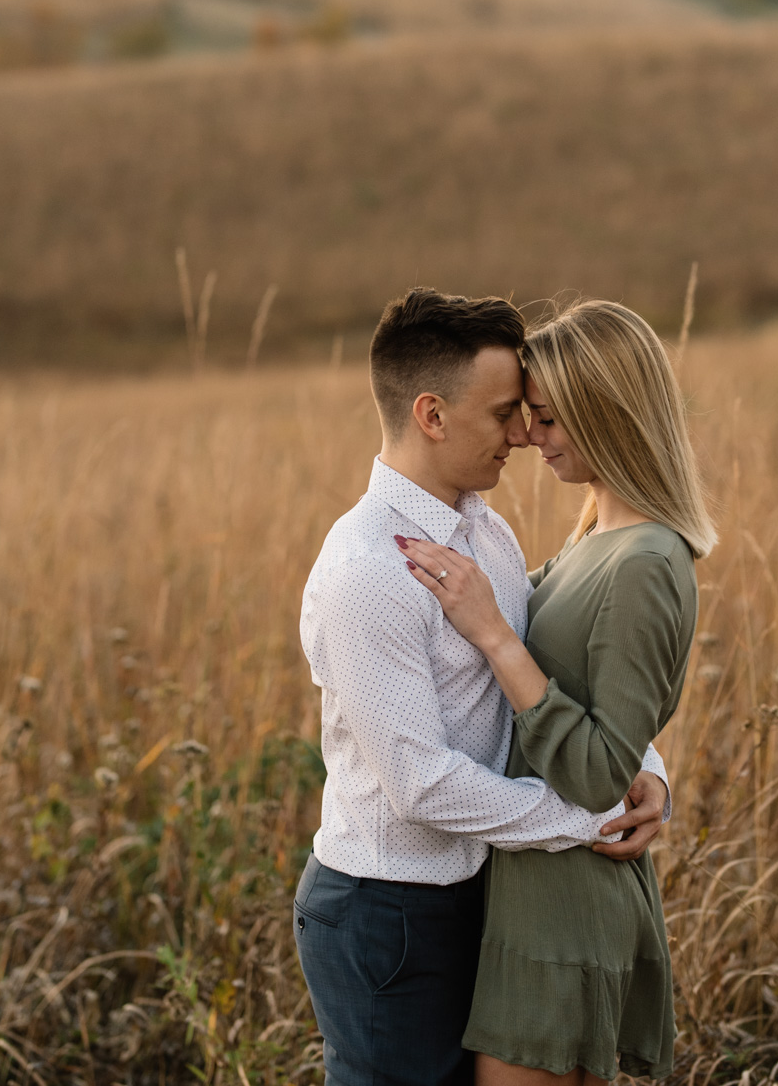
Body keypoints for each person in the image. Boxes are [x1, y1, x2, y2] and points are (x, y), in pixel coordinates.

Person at [295, 289, 672, 1086]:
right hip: (388, 910)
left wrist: (644, 766)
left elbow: (548, 664)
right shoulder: (368, 574)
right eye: (505, 414)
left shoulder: (482, 529)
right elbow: (421, 786)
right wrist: (584, 816)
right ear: (432, 415)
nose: (525, 436)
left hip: (479, 889)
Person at [401, 298, 716, 1085]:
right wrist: (655, 773)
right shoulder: (595, 538)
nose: (526, 438)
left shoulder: (643, 561)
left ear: (606, 415)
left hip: (567, 905)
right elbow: (614, 726)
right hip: (538, 883)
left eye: (544, 419)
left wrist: (497, 636)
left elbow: (598, 771)